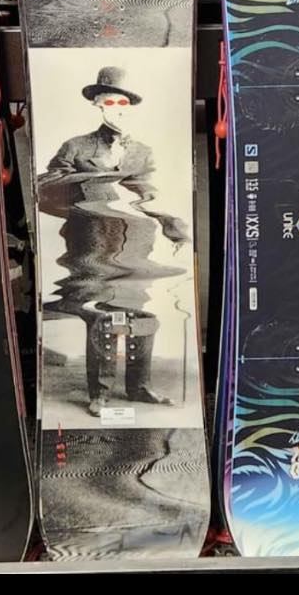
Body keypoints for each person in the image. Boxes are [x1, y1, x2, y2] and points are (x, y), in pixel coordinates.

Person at [38, 67, 190, 417]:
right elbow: (48, 184)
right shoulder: (75, 146)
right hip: (90, 243)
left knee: (141, 313)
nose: (118, 106)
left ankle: (139, 387)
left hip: (135, 242)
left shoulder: (142, 152)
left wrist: (175, 228)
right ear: (98, 104)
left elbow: (150, 195)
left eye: (124, 101)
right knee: (101, 314)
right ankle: (101, 394)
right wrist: (100, 179)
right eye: (110, 100)